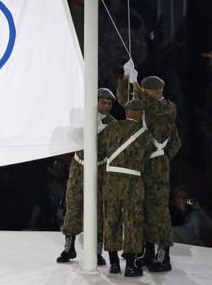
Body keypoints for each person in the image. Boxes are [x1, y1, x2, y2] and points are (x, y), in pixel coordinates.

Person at [117, 61, 181, 272]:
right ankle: (148, 252)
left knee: (158, 211)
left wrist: (161, 158)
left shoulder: (167, 106)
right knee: (142, 208)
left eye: (147, 90)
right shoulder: (145, 105)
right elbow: (124, 100)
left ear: (157, 91)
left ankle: (164, 255)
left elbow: (154, 111)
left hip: (156, 166)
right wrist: (126, 79)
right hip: (142, 164)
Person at [56, 88, 117, 266]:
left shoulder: (113, 123)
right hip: (80, 165)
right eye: (103, 102)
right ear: (96, 101)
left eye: (109, 103)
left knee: (99, 208)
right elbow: (71, 135)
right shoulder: (82, 118)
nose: (106, 106)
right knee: (74, 204)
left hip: (100, 168)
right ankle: (69, 246)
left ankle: (97, 250)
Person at [102, 98, 153, 276]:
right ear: (141, 115)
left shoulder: (111, 128)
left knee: (111, 220)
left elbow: (101, 151)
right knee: (133, 222)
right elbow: (147, 158)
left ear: (126, 112)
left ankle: (114, 263)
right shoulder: (145, 135)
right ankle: (130, 265)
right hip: (133, 181)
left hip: (112, 180)